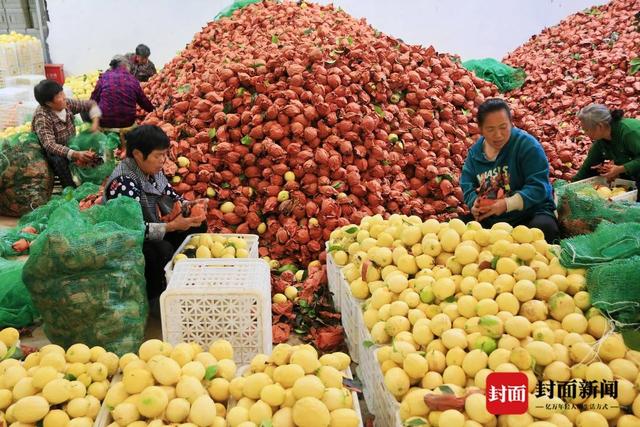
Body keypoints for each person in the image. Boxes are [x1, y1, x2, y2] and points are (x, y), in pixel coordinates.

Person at [103, 125, 206, 299]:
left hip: (155, 228)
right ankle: (156, 296)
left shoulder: (153, 170)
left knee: (197, 226)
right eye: (158, 155)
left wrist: (191, 206)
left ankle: (181, 277)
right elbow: (130, 231)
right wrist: (172, 226)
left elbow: (171, 197)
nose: (163, 160)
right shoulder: (124, 183)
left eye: (165, 154)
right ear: (137, 154)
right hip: (130, 242)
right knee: (160, 250)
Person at [460, 98, 559, 242]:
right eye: (490, 129)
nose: (498, 135)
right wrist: (474, 203)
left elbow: (539, 186)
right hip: (492, 217)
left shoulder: (527, 145)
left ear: (511, 124)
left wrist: (507, 204)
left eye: (503, 127)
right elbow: (467, 182)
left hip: (530, 212)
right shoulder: (475, 153)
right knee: (458, 229)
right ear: (480, 129)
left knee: (543, 230)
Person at [32, 79, 102, 188]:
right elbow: (49, 145)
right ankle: (70, 187)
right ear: (48, 103)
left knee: (92, 148)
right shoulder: (43, 117)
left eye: (62, 92)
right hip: (53, 152)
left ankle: (91, 179)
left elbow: (91, 104)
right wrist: (75, 154)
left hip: (70, 143)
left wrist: (95, 124)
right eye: (59, 95)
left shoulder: (66, 104)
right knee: (58, 160)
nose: (64, 97)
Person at [573, 104, 640, 200]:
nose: (585, 133)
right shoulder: (601, 141)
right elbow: (588, 167)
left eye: (586, 129)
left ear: (599, 126)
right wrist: (570, 187)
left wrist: (620, 169)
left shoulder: (629, 132)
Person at [90, 55, 154, 130]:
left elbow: (93, 100)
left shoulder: (104, 77)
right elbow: (144, 102)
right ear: (125, 65)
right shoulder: (133, 79)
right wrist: (153, 109)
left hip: (105, 122)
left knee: (86, 110)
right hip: (127, 122)